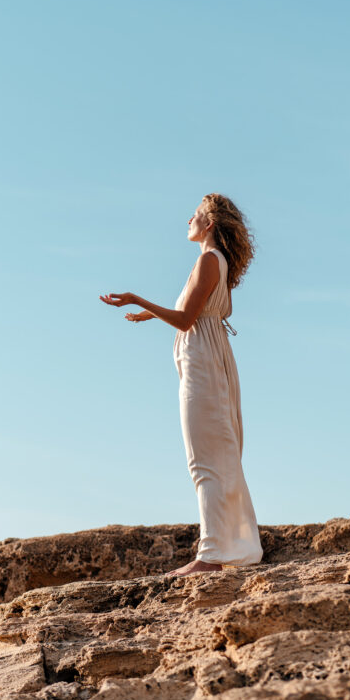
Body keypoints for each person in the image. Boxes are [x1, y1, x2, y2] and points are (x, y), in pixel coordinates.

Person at [100, 193, 263, 577]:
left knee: (204, 458)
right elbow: (193, 312)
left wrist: (137, 298)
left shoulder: (209, 259)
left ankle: (209, 557)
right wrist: (150, 314)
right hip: (207, 357)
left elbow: (188, 318)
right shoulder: (213, 260)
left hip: (203, 361)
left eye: (196, 215)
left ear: (209, 224)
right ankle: (225, 549)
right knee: (215, 454)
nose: (188, 220)